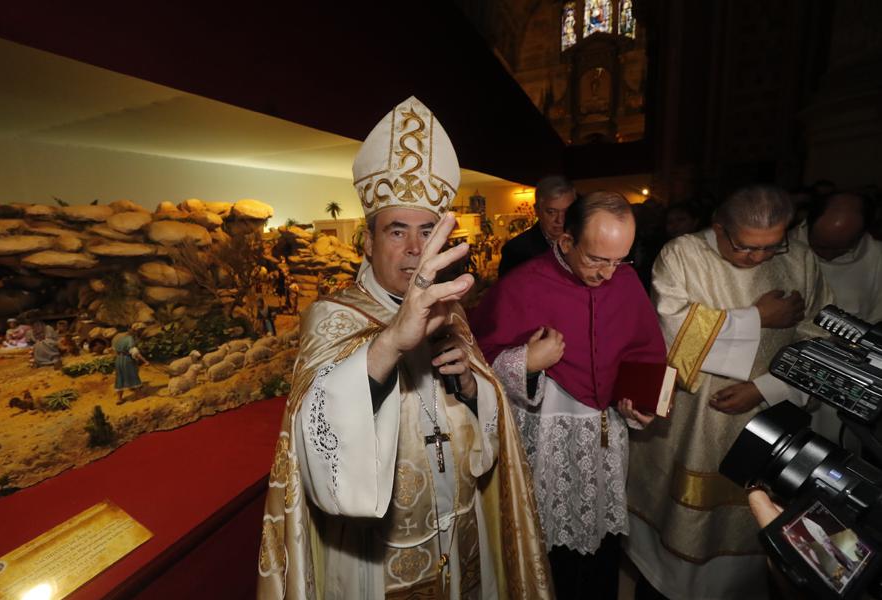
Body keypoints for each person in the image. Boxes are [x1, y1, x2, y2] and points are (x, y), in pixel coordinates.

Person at [258, 97, 552, 599]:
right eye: (398, 231)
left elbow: (490, 420)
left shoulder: (450, 310)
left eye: (427, 233)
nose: (416, 249)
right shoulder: (332, 316)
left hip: (459, 529)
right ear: (367, 242)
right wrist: (392, 341)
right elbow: (313, 437)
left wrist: (471, 387)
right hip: (377, 552)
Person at [626, 185, 835, 600]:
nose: (758, 258)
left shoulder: (801, 259)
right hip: (693, 421)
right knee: (678, 548)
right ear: (719, 227)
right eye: (745, 248)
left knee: (753, 543)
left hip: (771, 416)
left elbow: (821, 338)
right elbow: (672, 336)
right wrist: (757, 316)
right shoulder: (684, 255)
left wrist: (764, 388)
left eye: (772, 247)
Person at [472, 191, 666, 599]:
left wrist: (639, 405)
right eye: (596, 259)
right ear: (566, 242)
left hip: (605, 436)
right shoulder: (524, 283)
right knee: (550, 548)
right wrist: (526, 361)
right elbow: (477, 363)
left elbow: (643, 352)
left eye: (619, 260)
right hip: (546, 434)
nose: (608, 275)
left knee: (601, 549)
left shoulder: (626, 281)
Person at [793, 191, 882, 446]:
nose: (827, 256)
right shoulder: (785, 246)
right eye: (820, 246)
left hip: (846, 374)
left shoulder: (877, 258)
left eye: (839, 248)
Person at [497, 175, 576, 277]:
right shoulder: (515, 251)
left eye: (566, 211)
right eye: (551, 212)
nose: (560, 220)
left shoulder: (583, 241)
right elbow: (507, 291)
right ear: (537, 210)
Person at [113, 323, 150, 404]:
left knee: (120, 378)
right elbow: (134, 352)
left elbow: (115, 351)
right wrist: (145, 361)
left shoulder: (117, 338)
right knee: (133, 376)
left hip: (118, 360)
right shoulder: (129, 338)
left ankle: (119, 398)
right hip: (127, 360)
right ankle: (139, 395)